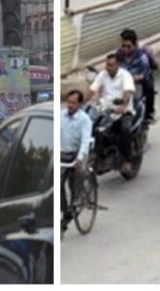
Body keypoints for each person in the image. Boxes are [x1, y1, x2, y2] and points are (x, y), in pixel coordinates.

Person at [86, 54, 136, 175]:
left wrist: (123, 105)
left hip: (123, 112)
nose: (108, 67)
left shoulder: (125, 75)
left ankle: (126, 161)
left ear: (117, 65)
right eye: (107, 64)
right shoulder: (103, 75)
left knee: (124, 130)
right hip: (105, 110)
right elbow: (92, 90)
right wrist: (80, 102)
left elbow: (127, 92)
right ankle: (99, 156)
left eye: (111, 65)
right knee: (95, 128)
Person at [60, 90, 92, 233]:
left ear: (79, 104)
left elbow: (85, 141)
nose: (70, 105)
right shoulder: (60, 116)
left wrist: (80, 158)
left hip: (77, 154)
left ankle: (77, 200)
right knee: (58, 182)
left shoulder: (84, 120)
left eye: (74, 103)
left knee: (75, 180)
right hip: (63, 153)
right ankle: (65, 209)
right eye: (69, 102)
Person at [117, 30, 153, 123]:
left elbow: (144, 74)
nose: (125, 49)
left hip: (137, 82)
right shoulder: (119, 54)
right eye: (123, 46)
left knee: (136, 98)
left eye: (128, 46)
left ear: (134, 45)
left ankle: (147, 115)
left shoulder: (142, 57)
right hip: (121, 81)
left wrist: (131, 79)